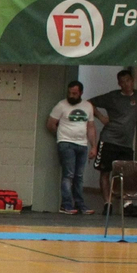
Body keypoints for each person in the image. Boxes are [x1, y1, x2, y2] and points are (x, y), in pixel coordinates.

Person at [92, 69, 137, 212]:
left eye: (128, 81)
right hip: (109, 139)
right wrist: (101, 117)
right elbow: (89, 103)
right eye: (123, 82)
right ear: (119, 84)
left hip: (126, 143)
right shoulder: (112, 97)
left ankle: (127, 204)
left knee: (127, 174)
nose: (126, 84)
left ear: (132, 81)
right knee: (105, 172)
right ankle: (107, 204)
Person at [47, 80, 97, 215]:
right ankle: (66, 205)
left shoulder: (88, 106)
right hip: (66, 142)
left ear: (81, 93)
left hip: (82, 144)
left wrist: (94, 146)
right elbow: (51, 124)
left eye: (74, 93)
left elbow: (91, 127)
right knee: (68, 175)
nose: (71, 96)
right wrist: (60, 136)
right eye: (69, 93)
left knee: (79, 176)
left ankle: (80, 204)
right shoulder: (61, 105)